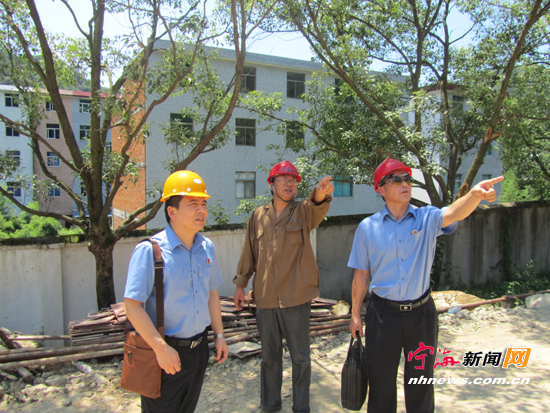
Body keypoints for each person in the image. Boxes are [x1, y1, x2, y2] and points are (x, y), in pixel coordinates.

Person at [348, 158, 504, 413]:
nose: (405, 184)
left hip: (421, 316)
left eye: (407, 179)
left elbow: (453, 213)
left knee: (420, 383)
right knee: (380, 385)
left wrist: (475, 195)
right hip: (382, 316)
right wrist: (355, 314)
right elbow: (361, 275)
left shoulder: (427, 217)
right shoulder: (368, 227)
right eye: (396, 180)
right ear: (380, 189)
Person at [233, 160, 334, 413]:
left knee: (300, 357)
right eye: (283, 179)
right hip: (265, 298)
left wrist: (320, 192)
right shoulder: (258, 216)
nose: (289, 184)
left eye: (293, 180)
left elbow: (316, 204)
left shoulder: (302, 211)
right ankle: (270, 405)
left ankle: (301, 408)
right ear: (272, 184)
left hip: (296, 297)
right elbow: (249, 252)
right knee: (269, 358)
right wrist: (241, 284)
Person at [124, 170, 228, 413]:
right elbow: (132, 306)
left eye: (203, 204)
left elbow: (212, 294)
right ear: (172, 212)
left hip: (199, 349)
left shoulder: (206, 247)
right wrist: (161, 349)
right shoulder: (151, 251)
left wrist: (219, 335)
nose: (201, 210)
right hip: (164, 351)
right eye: (193, 204)